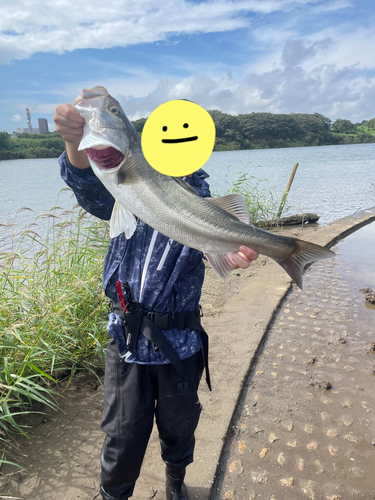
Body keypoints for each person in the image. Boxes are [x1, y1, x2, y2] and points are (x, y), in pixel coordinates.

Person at [54, 102, 259, 500]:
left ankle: (175, 483)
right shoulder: (126, 181)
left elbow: (214, 250)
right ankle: (114, 494)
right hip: (126, 341)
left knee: (180, 427)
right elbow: (87, 186)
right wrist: (73, 141)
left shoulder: (202, 199)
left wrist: (231, 255)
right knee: (122, 435)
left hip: (181, 344)